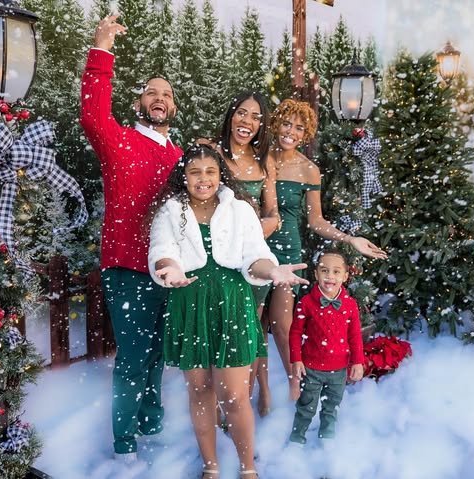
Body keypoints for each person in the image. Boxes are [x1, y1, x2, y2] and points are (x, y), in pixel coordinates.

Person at [148, 144, 309, 479]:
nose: (203, 179)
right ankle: (210, 466)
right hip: (189, 304)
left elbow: (256, 255)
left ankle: (247, 467)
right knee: (200, 392)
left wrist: (273, 271)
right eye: (195, 172)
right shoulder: (170, 210)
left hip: (232, 306)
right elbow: (162, 250)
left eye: (210, 172)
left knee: (235, 397)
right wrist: (168, 269)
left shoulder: (240, 210)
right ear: (185, 176)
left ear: (221, 175)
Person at [79, 15, 183, 462]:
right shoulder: (118, 139)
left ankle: (151, 424)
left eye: (167, 94)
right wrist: (102, 48)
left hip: (169, 272)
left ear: (173, 107)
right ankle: (123, 445)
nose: (159, 99)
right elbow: (91, 112)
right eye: (151, 92)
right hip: (126, 269)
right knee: (133, 358)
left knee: (158, 353)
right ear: (138, 100)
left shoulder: (181, 158)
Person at [265, 99, 387, 402]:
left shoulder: (309, 171)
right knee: (254, 326)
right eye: (286, 123)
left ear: (307, 134)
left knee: (283, 326)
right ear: (276, 124)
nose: (290, 131)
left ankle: (296, 382)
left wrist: (349, 239)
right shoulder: (260, 159)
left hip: (288, 252)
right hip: (255, 249)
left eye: (299, 127)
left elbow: (316, 221)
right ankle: (263, 390)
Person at [202, 91, 279, 416]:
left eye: (255, 116)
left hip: (252, 262)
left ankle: (243, 403)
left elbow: (273, 213)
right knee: (216, 330)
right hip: (218, 263)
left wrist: (255, 231)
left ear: (261, 126)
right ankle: (217, 402)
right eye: (242, 113)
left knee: (248, 332)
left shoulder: (265, 162)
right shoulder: (212, 154)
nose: (247, 121)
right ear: (231, 116)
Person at [288, 250, 365, 445]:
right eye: (324, 270)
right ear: (316, 274)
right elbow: (295, 332)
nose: (330, 276)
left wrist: (357, 361)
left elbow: (355, 335)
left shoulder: (350, 305)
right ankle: (297, 439)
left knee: (332, 406)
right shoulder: (306, 303)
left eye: (336, 272)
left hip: (338, 369)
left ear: (345, 276)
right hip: (311, 367)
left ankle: (327, 439)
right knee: (306, 406)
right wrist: (296, 359)